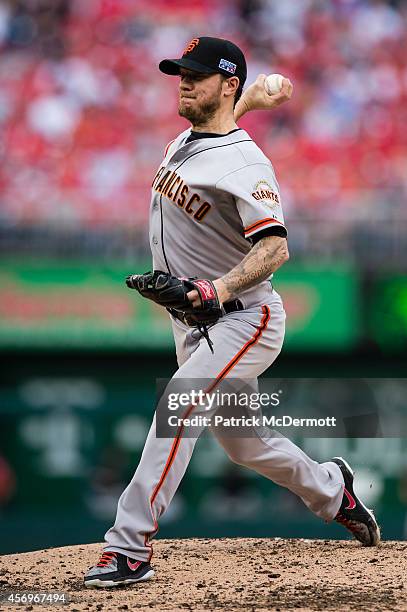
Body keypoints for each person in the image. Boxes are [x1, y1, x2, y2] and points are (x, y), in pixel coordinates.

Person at [84, 36, 380, 588]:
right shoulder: (191, 141)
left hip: (245, 317)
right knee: (246, 444)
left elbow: (275, 249)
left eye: (197, 74)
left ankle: (127, 548)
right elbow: (222, 127)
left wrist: (215, 290)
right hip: (197, 324)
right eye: (180, 73)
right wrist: (252, 100)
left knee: (177, 407)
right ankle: (331, 489)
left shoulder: (247, 163)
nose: (184, 81)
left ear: (226, 84)